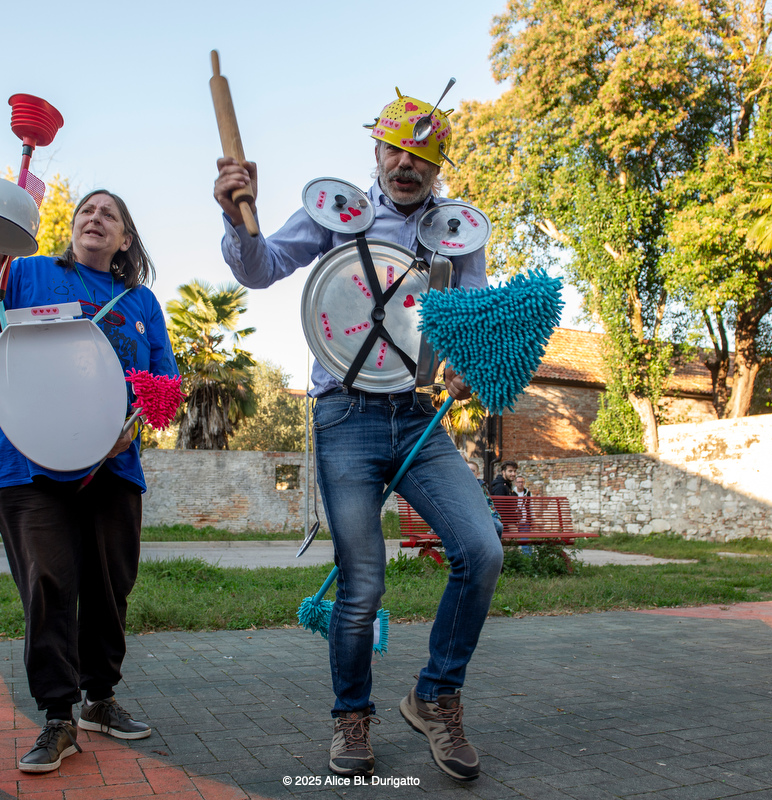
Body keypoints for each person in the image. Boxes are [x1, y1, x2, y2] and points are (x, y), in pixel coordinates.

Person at [215, 89, 503, 782]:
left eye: (421, 156)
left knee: (482, 550)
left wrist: (466, 361)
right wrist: (234, 216)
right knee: (363, 581)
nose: (406, 165)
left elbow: (466, 319)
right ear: (375, 151)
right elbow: (260, 267)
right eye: (394, 151)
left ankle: (435, 697)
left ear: (438, 166)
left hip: (419, 416)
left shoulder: (457, 233)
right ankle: (352, 715)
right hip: (345, 415)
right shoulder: (339, 214)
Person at [0, 189, 178, 774]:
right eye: (85, 211)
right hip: (27, 465)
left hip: (113, 466)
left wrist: (128, 428)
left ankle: (100, 700)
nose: (94, 218)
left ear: (125, 239)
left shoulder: (141, 301)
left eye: (109, 214)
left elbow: (164, 386)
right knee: (48, 582)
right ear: (71, 227)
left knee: (109, 586)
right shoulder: (25, 273)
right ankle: (57, 716)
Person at [468, 461, 503, 537]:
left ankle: (495, 545)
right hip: (466, 518)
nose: (469, 472)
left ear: (478, 474)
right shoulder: (458, 486)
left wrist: (496, 517)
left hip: (482, 517)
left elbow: (489, 503)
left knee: (498, 526)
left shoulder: (481, 486)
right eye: (467, 469)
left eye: (472, 470)